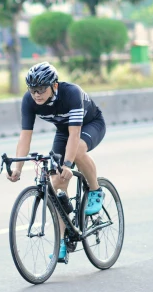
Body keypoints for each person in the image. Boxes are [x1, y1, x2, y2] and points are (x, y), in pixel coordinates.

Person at [7, 62, 106, 260]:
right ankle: (62, 242)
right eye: (33, 90)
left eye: (42, 89)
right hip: (63, 131)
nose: (37, 94)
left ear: (54, 85)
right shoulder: (29, 100)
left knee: (76, 152)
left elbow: (75, 133)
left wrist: (68, 164)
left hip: (90, 124)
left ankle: (96, 190)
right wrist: (17, 168)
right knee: (57, 186)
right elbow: (25, 136)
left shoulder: (71, 93)